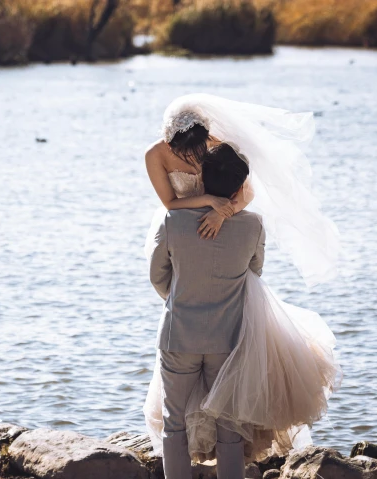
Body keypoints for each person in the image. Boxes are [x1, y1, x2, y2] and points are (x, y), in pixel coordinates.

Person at [142, 94, 342, 478]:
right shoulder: (254, 226)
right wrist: (217, 207)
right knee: (229, 425)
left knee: (175, 422)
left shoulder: (179, 213)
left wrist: (184, 296)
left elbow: (158, 277)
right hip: (229, 331)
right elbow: (256, 270)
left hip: (181, 322)